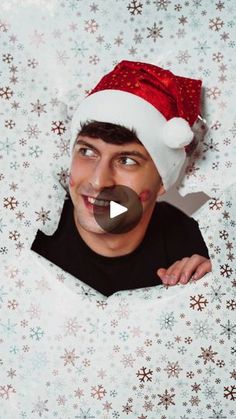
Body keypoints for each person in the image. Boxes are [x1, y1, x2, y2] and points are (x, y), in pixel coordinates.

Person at [31, 60, 211, 296]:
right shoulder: (28, 232)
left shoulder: (197, 244)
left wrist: (216, 289)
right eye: (87, 151)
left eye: (127, 160)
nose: (98, 181)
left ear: (162, 182)